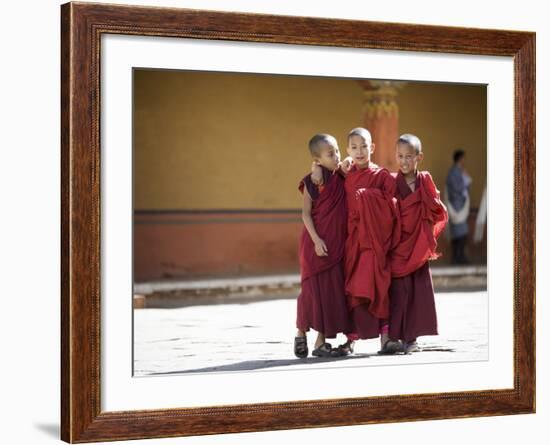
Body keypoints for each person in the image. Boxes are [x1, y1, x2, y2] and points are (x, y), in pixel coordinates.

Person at [333, 127, 402, 356]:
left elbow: (391, 205)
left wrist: (367, 196)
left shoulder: (381, 175)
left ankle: (386, 337)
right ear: (347, 150)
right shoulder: (345, 173)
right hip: (353, 242)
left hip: (374, 243)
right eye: (354, 147)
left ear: (372, 147)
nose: (359, 151)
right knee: (352, 290)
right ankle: (350, 339)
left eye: (364, 146)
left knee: (378, 287)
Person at [389, 134, 448, 353]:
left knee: (418, 292)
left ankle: (412, 339)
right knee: (398, 292)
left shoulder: (425, 180)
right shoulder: (392, 181)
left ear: (419, 157)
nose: (403, 161)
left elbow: (436, 208)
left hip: (419, 245)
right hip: (399, 245)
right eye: (400, 156)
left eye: (409, 156)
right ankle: (394, 337)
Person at [294, 134, 351, 358]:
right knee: (310, 292)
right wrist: (317, 240)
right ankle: (300, 332)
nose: (336, 156)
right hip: (315, 244)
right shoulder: (312, 181)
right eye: (330, 154)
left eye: (337, 150)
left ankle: (320, 341)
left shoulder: (341, 177)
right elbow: (306, 215)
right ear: (317, 159)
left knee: (329, 293)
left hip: (336, 246)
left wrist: (342, 165)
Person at [445, 149, 471, 264]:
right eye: (464, 158)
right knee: (459, 233)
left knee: (460, 232)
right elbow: (458, 188)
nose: (465, 160)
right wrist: (466, 181)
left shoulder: (458, 171)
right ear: (460, 159)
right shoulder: (454, 172)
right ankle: (457, 257)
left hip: (459, 205)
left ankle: (459, 256)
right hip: (457, 206)